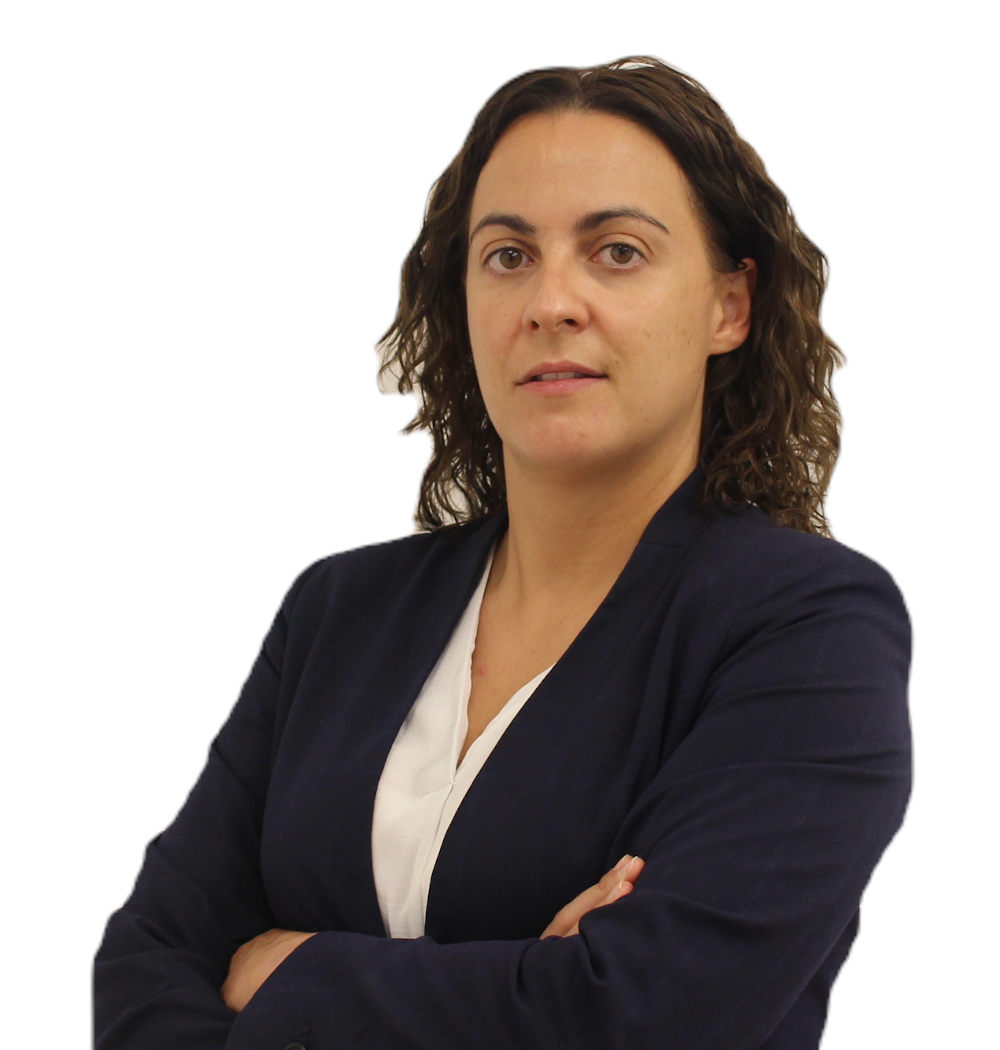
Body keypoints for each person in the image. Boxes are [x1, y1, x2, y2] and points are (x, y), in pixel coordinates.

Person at [93, 56, 911, 1050]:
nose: (550, 302)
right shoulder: (339, 611)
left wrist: (287, 970)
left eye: (617, 252)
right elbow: (143, 970)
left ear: (727, 307)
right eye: (508, 255)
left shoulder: (809, 630)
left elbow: (640, 1017)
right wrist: (529, 978)